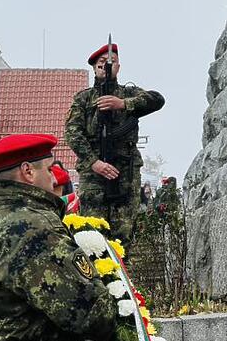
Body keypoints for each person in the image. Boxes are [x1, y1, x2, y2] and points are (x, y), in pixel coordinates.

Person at [0, 134, 118, 341]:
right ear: (28, 171)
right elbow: (91, 315)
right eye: (50, 168)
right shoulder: (37, 228)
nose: (54, 177)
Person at [65, 43, 165, 243]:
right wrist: (94, 162)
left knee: (123, 236)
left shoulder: (129, 93)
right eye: (101, 62)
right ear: (94, 67)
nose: (106, 66)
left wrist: (124, 104)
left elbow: (157, 99)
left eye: (111, 62)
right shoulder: (83, 99)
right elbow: (73, 133)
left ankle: (121, 272)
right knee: (93, 236)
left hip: (125, 173)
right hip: (94, 175)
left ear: (118, 67)